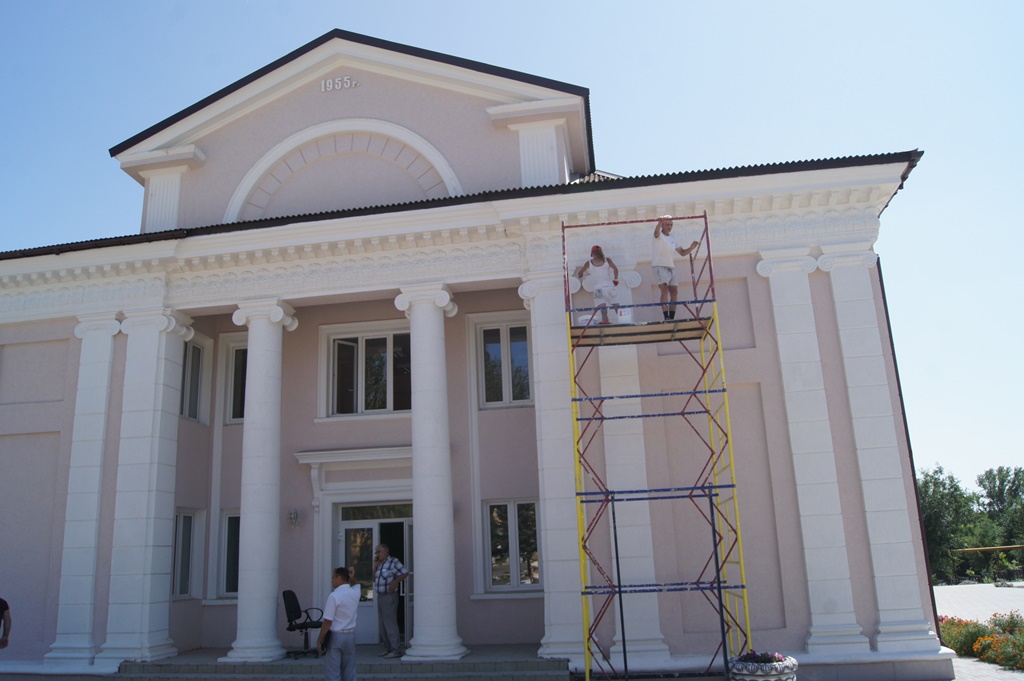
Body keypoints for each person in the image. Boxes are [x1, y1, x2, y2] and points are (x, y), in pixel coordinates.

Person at [651, 216, 699, 320]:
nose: (669, 227)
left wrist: (691, 248)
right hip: (659, 266)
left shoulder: (673, 237)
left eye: (671, 225)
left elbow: (682, 252)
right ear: (663, 225)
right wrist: (659, 223)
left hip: (671, 266)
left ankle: (671, 317)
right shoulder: (659, 236)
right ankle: (666, 316)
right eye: (667, 224)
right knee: (664, 290)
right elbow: (656, 233)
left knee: (674, 292)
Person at [317, 567, 360, 681]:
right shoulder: (355, 592)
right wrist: (352, 576)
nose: (332, 581)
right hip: (350, 635)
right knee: (350, 670)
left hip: (336, 635)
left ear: (339, 578)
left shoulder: (334, 596)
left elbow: (327, 621)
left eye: (333, 578)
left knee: (333, 672)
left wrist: (320, 639)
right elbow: (356, 584)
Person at [372, 544, 408, 658]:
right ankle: (388, 648)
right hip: (380, 596)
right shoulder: (379, 564)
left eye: (378, 552)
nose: (377, 554)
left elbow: (404, 572)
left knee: (390, 623)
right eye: (376, 552)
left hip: (389, 596)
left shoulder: (393, 561)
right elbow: (374, 579)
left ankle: (396, 649)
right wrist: (375, 567)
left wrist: (395, 582)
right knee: (383, 624)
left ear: (385, 551)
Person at [575, 245, 620, 324]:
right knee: (616, 306)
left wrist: (582, 274)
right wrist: (615, 279)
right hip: (609, 286)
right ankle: (623, 320)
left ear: (592, 254)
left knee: (603, 308)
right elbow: (615, 269)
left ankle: (605, 322)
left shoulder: (588, 263)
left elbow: (580, 273)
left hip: (598, 289)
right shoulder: (607, 260)